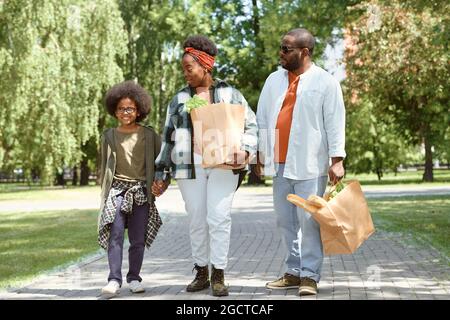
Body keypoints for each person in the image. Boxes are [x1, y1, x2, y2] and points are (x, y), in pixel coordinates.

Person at [152, 35, 258, 297]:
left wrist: (245, 150)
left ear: (205, 66)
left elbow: (252, 126)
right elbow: (168, 138)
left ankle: (219, 273)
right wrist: (161, 173)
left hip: (224, 164)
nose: (185, 74)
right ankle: (201, 271)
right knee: (197, 219)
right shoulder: (178, 99)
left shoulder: (231, 94)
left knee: (219, 217)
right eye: (183, 70)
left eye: (189, 68)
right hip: (190, 165)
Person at [256, 28, 346, 296]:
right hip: (279, 164)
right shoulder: (273, 80)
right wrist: (260, 154)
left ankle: (309, 276)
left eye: (286, 49)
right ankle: (293, 272)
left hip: (310, 164)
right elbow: (262, 118)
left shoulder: (326, 82)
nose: (280, 53)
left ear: (304, 52)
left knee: (309, 222)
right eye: (281, 48)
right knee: (285, 222)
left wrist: (337, 159)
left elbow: (335, 122)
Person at [98, 80, 162, 296]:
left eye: (130, 108)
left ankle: (134, 277)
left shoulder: (150, 135)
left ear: (138, 110)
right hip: (116, 191)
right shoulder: (108, 136)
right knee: (115, 235)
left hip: (141, 193)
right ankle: (114, 280)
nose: (126, 112)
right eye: (121, 108)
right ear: (115, 111)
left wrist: (162, 184)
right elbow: (104, 169)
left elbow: (161, 164)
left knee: (137, 239)